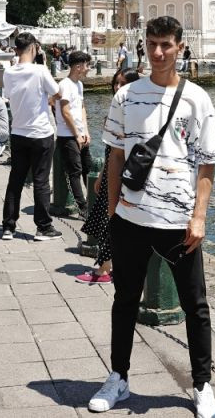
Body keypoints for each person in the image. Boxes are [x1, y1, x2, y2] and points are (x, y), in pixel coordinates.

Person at [89, 16, 215, 418]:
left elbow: (207, 164)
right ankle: (119, 377)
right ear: (143, 46)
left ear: (180, 47)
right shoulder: (126, 95)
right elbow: (115, 157)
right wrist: (112, 213)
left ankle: (202, 385)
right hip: (131, 218)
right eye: (151, 44)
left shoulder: (197, 98)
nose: (158, 52)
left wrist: (199, 217)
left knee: (194, 304)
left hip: (178, 222)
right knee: (124, 299)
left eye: (166, 44)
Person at [77, 68, 140, 285]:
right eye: (116, 83)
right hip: (111, 175)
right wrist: (102, 174)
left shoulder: (134, 114)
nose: (118, 87)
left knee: (110, 223)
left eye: (123, 84)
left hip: (124, 178)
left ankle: (104, 271)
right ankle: (109, 268)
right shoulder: (115, 110)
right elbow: (111, 151)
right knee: (108, 222)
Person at [0, 31, 62, 241]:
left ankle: (8, 226)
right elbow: (57, 93)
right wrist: (42, 63)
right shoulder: (40, 70)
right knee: (41, 180)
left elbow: (9, 96)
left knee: (15, 179)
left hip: (18, 132)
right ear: (34, 48)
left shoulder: (8, 73)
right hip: (40, 132)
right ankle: (43, 227)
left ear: (16, 49)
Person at [53, 50, 92, 212]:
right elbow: (65, 111)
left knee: (88, 167)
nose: (88, 68)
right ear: (78, 67)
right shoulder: (64, 85)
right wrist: (76, 134)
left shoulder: (79, 85)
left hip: (80, 133)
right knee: (75, 170)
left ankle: (92, 200)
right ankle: (82, 206)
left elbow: (81, 108)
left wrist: (86, 131)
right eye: (86, 65)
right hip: (68, 135)